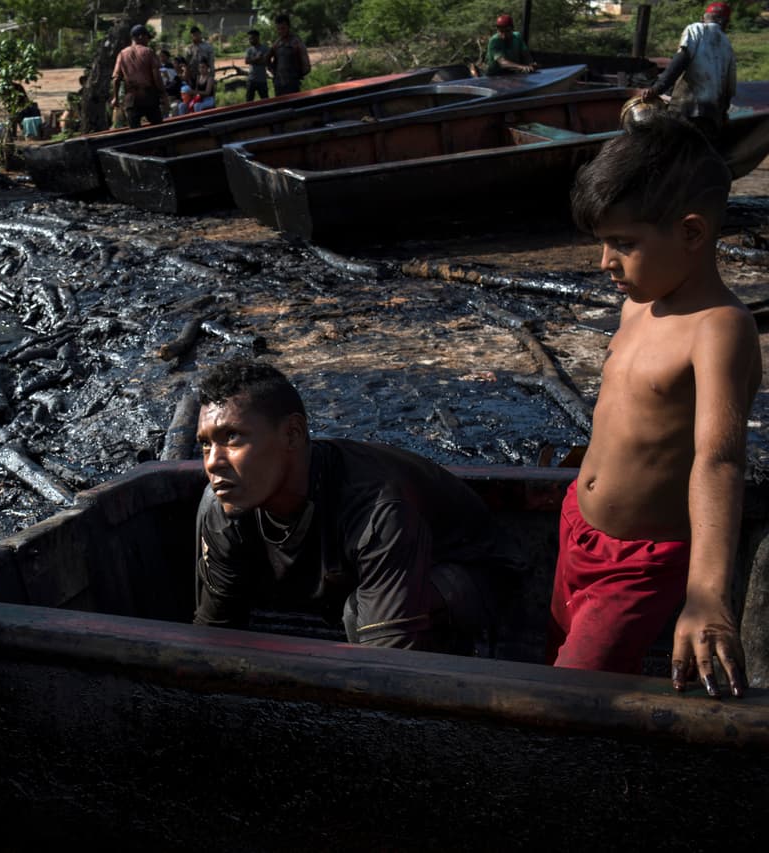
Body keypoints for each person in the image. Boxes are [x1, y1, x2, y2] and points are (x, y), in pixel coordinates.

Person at [549, 113, 761, 697]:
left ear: (693, 234)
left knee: (570, 695)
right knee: (558, 659)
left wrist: (706, 597)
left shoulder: (719, 328)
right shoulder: (639, 302)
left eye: (624, 244)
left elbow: (718, 460)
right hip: (580, 529)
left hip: (638, 564)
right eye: (604, 243)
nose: (605, 263)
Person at [192, 359, 521, 653]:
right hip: (368, 573)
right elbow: (214, 631)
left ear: (292, 434)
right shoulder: (223, 504)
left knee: (360, 616)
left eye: (232, 437)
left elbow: (391, 670)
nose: (213, 463)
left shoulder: (377, 507)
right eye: (206, 444)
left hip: (472, 574)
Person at [645, 1, 737, 140]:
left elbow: (681, 60)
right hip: (710, 117)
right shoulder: (728, 47)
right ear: (726, 23)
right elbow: (729, 89)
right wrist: (722, 114)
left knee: (675, 151)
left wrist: (657, 89)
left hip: (685, 109)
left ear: (703, 18)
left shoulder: (696, 29)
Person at [112, 23, 167, 129]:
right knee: (158, 129)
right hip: (148, 96)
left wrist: (115, 98)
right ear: (140, 37)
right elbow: (157, 76)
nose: (148, 41)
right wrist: (163, 94)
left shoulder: (122, 54)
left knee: (134, 131)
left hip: (131, 99)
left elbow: (116, 79)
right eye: (147, 38)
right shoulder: (148, 52)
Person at [268, 13, 311, 96]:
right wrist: (274, 72)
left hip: (292, 83)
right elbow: (267, 58)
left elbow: (306, 65)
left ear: (288, 27)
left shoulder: (296, 42)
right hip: (279, 84)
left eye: (283, 28)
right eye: (278, 29)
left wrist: (297, 75)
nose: (280, 31)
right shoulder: (277, 43)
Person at [244, 29, 270, 102]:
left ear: (257, 37)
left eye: (251, 38)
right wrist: (257, 58)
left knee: (266, 101)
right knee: (249, 101)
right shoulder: (249, 49)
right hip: (251, 79)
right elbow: (246, 61)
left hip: (262, 80)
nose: (250, 40)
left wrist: (253, 61)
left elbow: (265, 61)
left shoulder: (265, 48)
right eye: (249, 39)